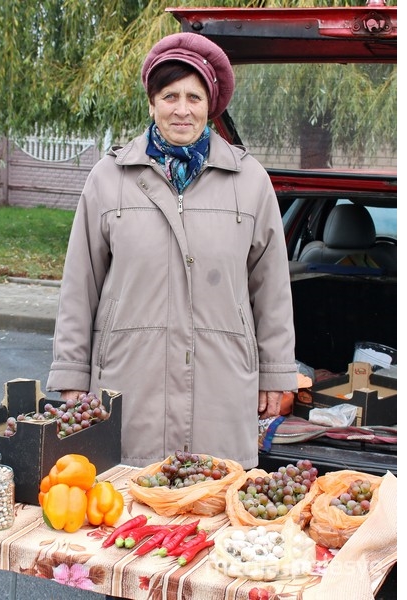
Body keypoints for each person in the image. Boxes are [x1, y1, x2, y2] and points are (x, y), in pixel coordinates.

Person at [46, 32, 297, 469]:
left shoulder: (250, 181)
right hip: (129, 381)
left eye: (194, 97)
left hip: (221, 384)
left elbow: (271, 287)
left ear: (211, 105)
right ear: (151, 103)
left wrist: (276, 374)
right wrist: (71, 374)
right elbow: (79, 285)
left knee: (212, 509)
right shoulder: (109, 178)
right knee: (125, 514)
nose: (182, 109)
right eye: (170, 96)